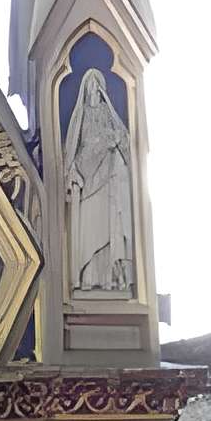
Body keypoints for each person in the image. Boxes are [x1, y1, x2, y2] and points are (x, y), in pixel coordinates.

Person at [63, 66, 135, 296]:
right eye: (90, 82)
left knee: (108, 228)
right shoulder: (82, 114)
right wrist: (73, 169)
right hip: (88, 180)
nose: (94, 87)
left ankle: (109, 279)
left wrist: (112, 140)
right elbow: (77, 145)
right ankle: (88, 277)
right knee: (89, 231)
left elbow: (121, 137)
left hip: (106, 178)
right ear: (85, 87)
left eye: (97, 82)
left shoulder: (106, 111)